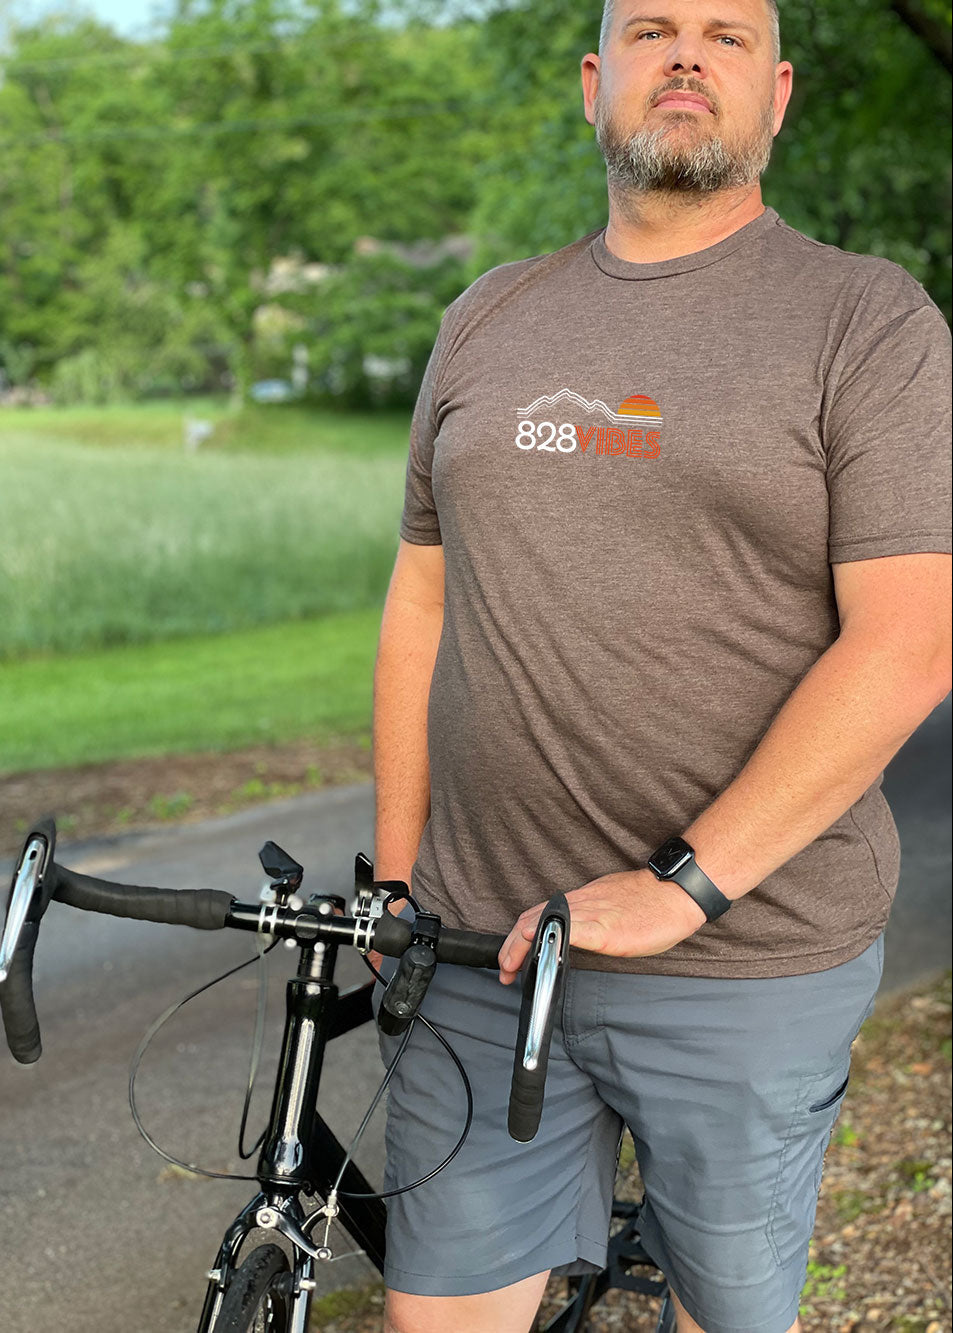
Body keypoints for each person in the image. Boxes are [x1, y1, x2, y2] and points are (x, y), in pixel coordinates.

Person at [370, 1, 952, 1330]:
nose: (685, 53)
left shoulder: (868, 321)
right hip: (476, 948)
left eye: (724, 35)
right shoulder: (484, 316)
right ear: (594, 82)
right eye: (649, 29)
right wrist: (395, 878)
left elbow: (910, 640)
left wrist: (681, 886)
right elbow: (420, 599)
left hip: (746, 957)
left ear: (779, 94)